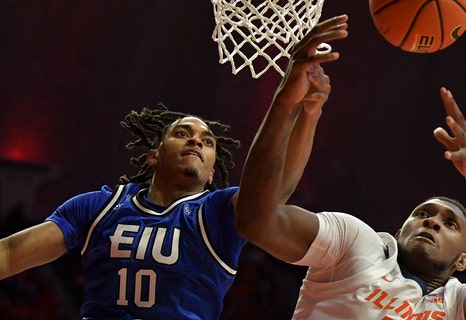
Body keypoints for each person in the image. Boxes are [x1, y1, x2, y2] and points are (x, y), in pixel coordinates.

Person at [0, 16, 349, 319]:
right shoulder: (97, 207)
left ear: (212, 172)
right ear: (153, 155)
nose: (196, 141)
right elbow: (10, 253)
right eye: (183, 133)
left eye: (208, 141)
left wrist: (309, 113)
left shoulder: (217, 212)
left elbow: (276, 193)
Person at [234, 14, 466, 320]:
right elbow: (256, 221)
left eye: (450, 224)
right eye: (422, 214)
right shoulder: (357, 243)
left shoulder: (457, 302)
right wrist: (286, 102)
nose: (432, 222)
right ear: (398, 231)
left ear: (462, 262)